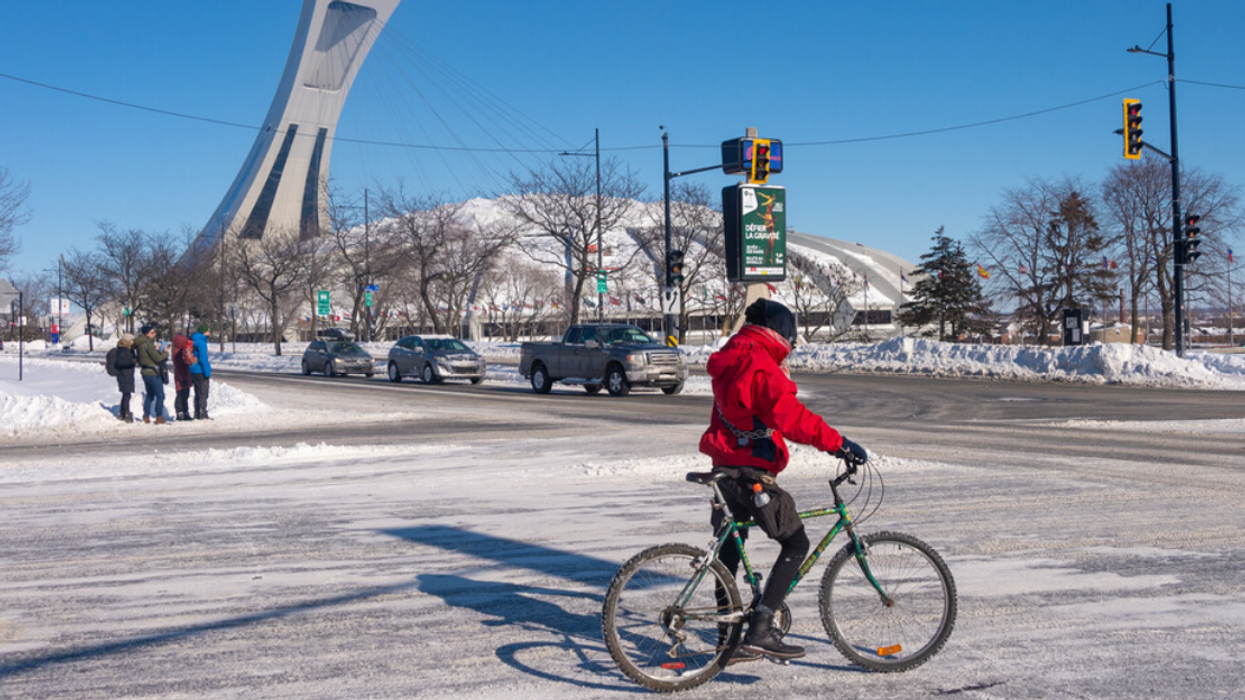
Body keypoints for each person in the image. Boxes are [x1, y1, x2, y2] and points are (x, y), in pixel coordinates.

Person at [699, 298, 868, 661]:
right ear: (781, 333)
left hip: (725, 467)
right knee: (795, 543)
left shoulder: (732, 356)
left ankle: (727, 642)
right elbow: (790, 416)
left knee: (729, 550)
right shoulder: (758, 363)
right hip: (749, 472)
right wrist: (839, 444)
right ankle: (760, 630)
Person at [134, 324, 170, 424]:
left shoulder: (140, 343)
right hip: (153, 372)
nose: (154, 334)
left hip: (145, 372)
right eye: (152, 333)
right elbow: (157, 358)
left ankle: (146, 416)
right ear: (147, 334)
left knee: (150, 394)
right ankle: (159, 417)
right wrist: (165, 352)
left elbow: (148, 356)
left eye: (154, 332)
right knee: (160, 395)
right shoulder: (148, 344)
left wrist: (156, 350)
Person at [107, 333, 138, 422]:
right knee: (127, 395)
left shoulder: (128, 349)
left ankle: (123, 412)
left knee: (126, 394)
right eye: (132, 340)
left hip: (127, 374)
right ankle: (126, 413)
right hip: (124, 375)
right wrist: (132, 361)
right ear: (127, 341)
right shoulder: (123, 350)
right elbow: (121, 362)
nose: (133, 342)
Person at [189, 323, 212, 420]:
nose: (209, 333)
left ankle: (196, 412)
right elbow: (203, 358)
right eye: (208, 331)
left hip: (192, 369)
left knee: (197, 392)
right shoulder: (201, 342)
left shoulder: (192, 341)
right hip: (200, 370)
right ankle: (202, 413)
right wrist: (207, 372)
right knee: (203, 392)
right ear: (204, 332)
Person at [171, 332, 195, 422]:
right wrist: (183, 377)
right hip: (180, 376)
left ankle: (185, 412)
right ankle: (179, 412)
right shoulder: (177, 352)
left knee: (185, 394)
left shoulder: (181, 350)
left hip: (185, 374)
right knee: (180, 394)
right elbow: (179, 366)